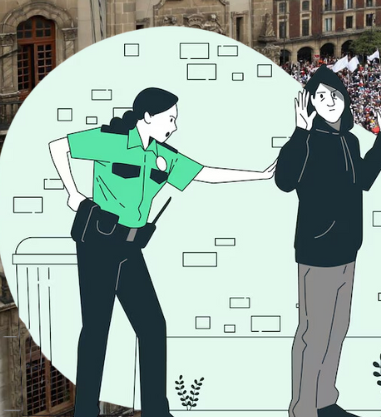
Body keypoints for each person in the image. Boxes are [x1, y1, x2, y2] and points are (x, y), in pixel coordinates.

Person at [47, 86, 277, 417]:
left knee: (153, 326)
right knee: (97, 329)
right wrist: (74, 194)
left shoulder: (162, 155)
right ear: (147, 117)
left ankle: (157, 410)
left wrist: (260, 175)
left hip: (130, 247)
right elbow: (59, 147)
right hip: (98, 243)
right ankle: (86, 411)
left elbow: (205, 174)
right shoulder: (111, 139)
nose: (174, 126)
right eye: (170, 118)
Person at [275, 65, 381, 417]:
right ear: (310, 103)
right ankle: (303, 408)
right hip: (317, 250)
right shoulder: (307, 140)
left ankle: (325, 398)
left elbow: (363, 179)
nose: (330, 102)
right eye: (321, 96)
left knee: (338, 329)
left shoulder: (350, 139)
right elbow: (284, 181)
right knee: (313, 333)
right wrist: (299, 132)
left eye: (335, 95)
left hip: (348, 247)